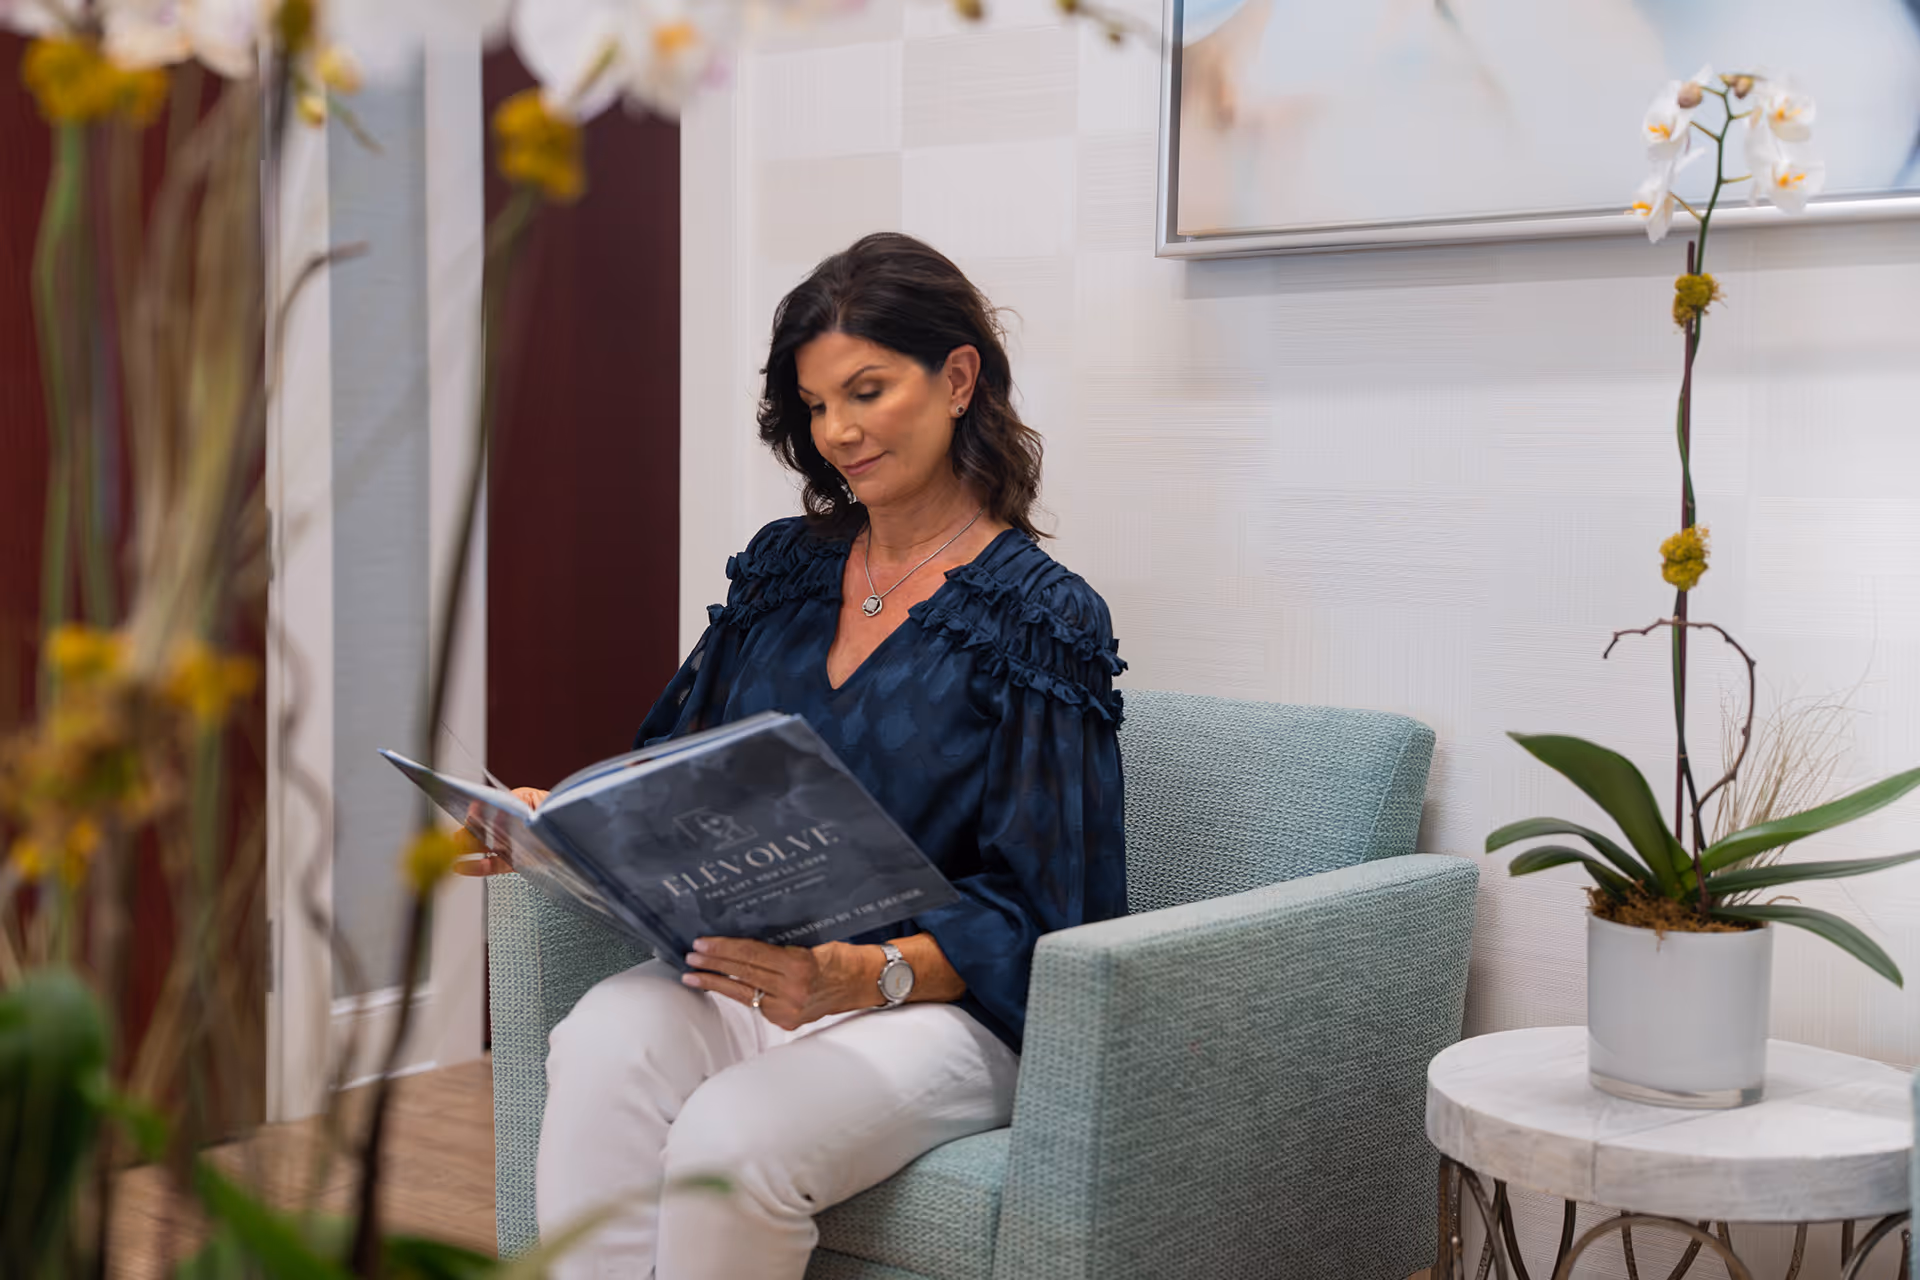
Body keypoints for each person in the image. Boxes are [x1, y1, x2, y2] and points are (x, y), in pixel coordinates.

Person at [472, 232, 1129, 1279]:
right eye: (818, 405)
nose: (840, 432)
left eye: (868, 390)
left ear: (959, 377)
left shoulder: (1039, 617)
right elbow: (676, 773)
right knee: (598, 1036)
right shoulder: (785, 571)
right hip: (752, 975)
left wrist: (861, 975)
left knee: (734, 1139)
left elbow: (1050, 908)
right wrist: (561, 824)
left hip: (939, 1010)